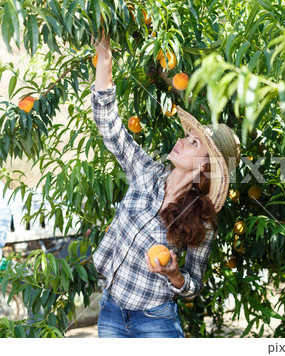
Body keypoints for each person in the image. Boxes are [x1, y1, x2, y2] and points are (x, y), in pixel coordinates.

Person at [91, 33, 241, 338]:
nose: (182, 140)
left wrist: (174, 274)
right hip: (110, 312)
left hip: (155, 320)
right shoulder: (146, 172)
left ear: (204, 166)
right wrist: (104, 56)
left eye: (193, 141)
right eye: (187, 135)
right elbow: (110, 126)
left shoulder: (203, 220)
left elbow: (194, 285)